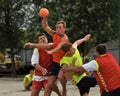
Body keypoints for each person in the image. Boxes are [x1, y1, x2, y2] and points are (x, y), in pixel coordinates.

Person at [41, 17, 69, 96]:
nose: (58, 29)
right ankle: (59, 94)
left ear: (64, 29)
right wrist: (44, 17)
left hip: (63, 63)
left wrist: (51, 51)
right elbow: (45, 26)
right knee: (50, 84)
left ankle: (64, 89)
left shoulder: (65, 38)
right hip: (55, 63)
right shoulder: (54, 34)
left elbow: (59, 47)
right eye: (57, 27)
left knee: (61, 78)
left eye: (60, 28)